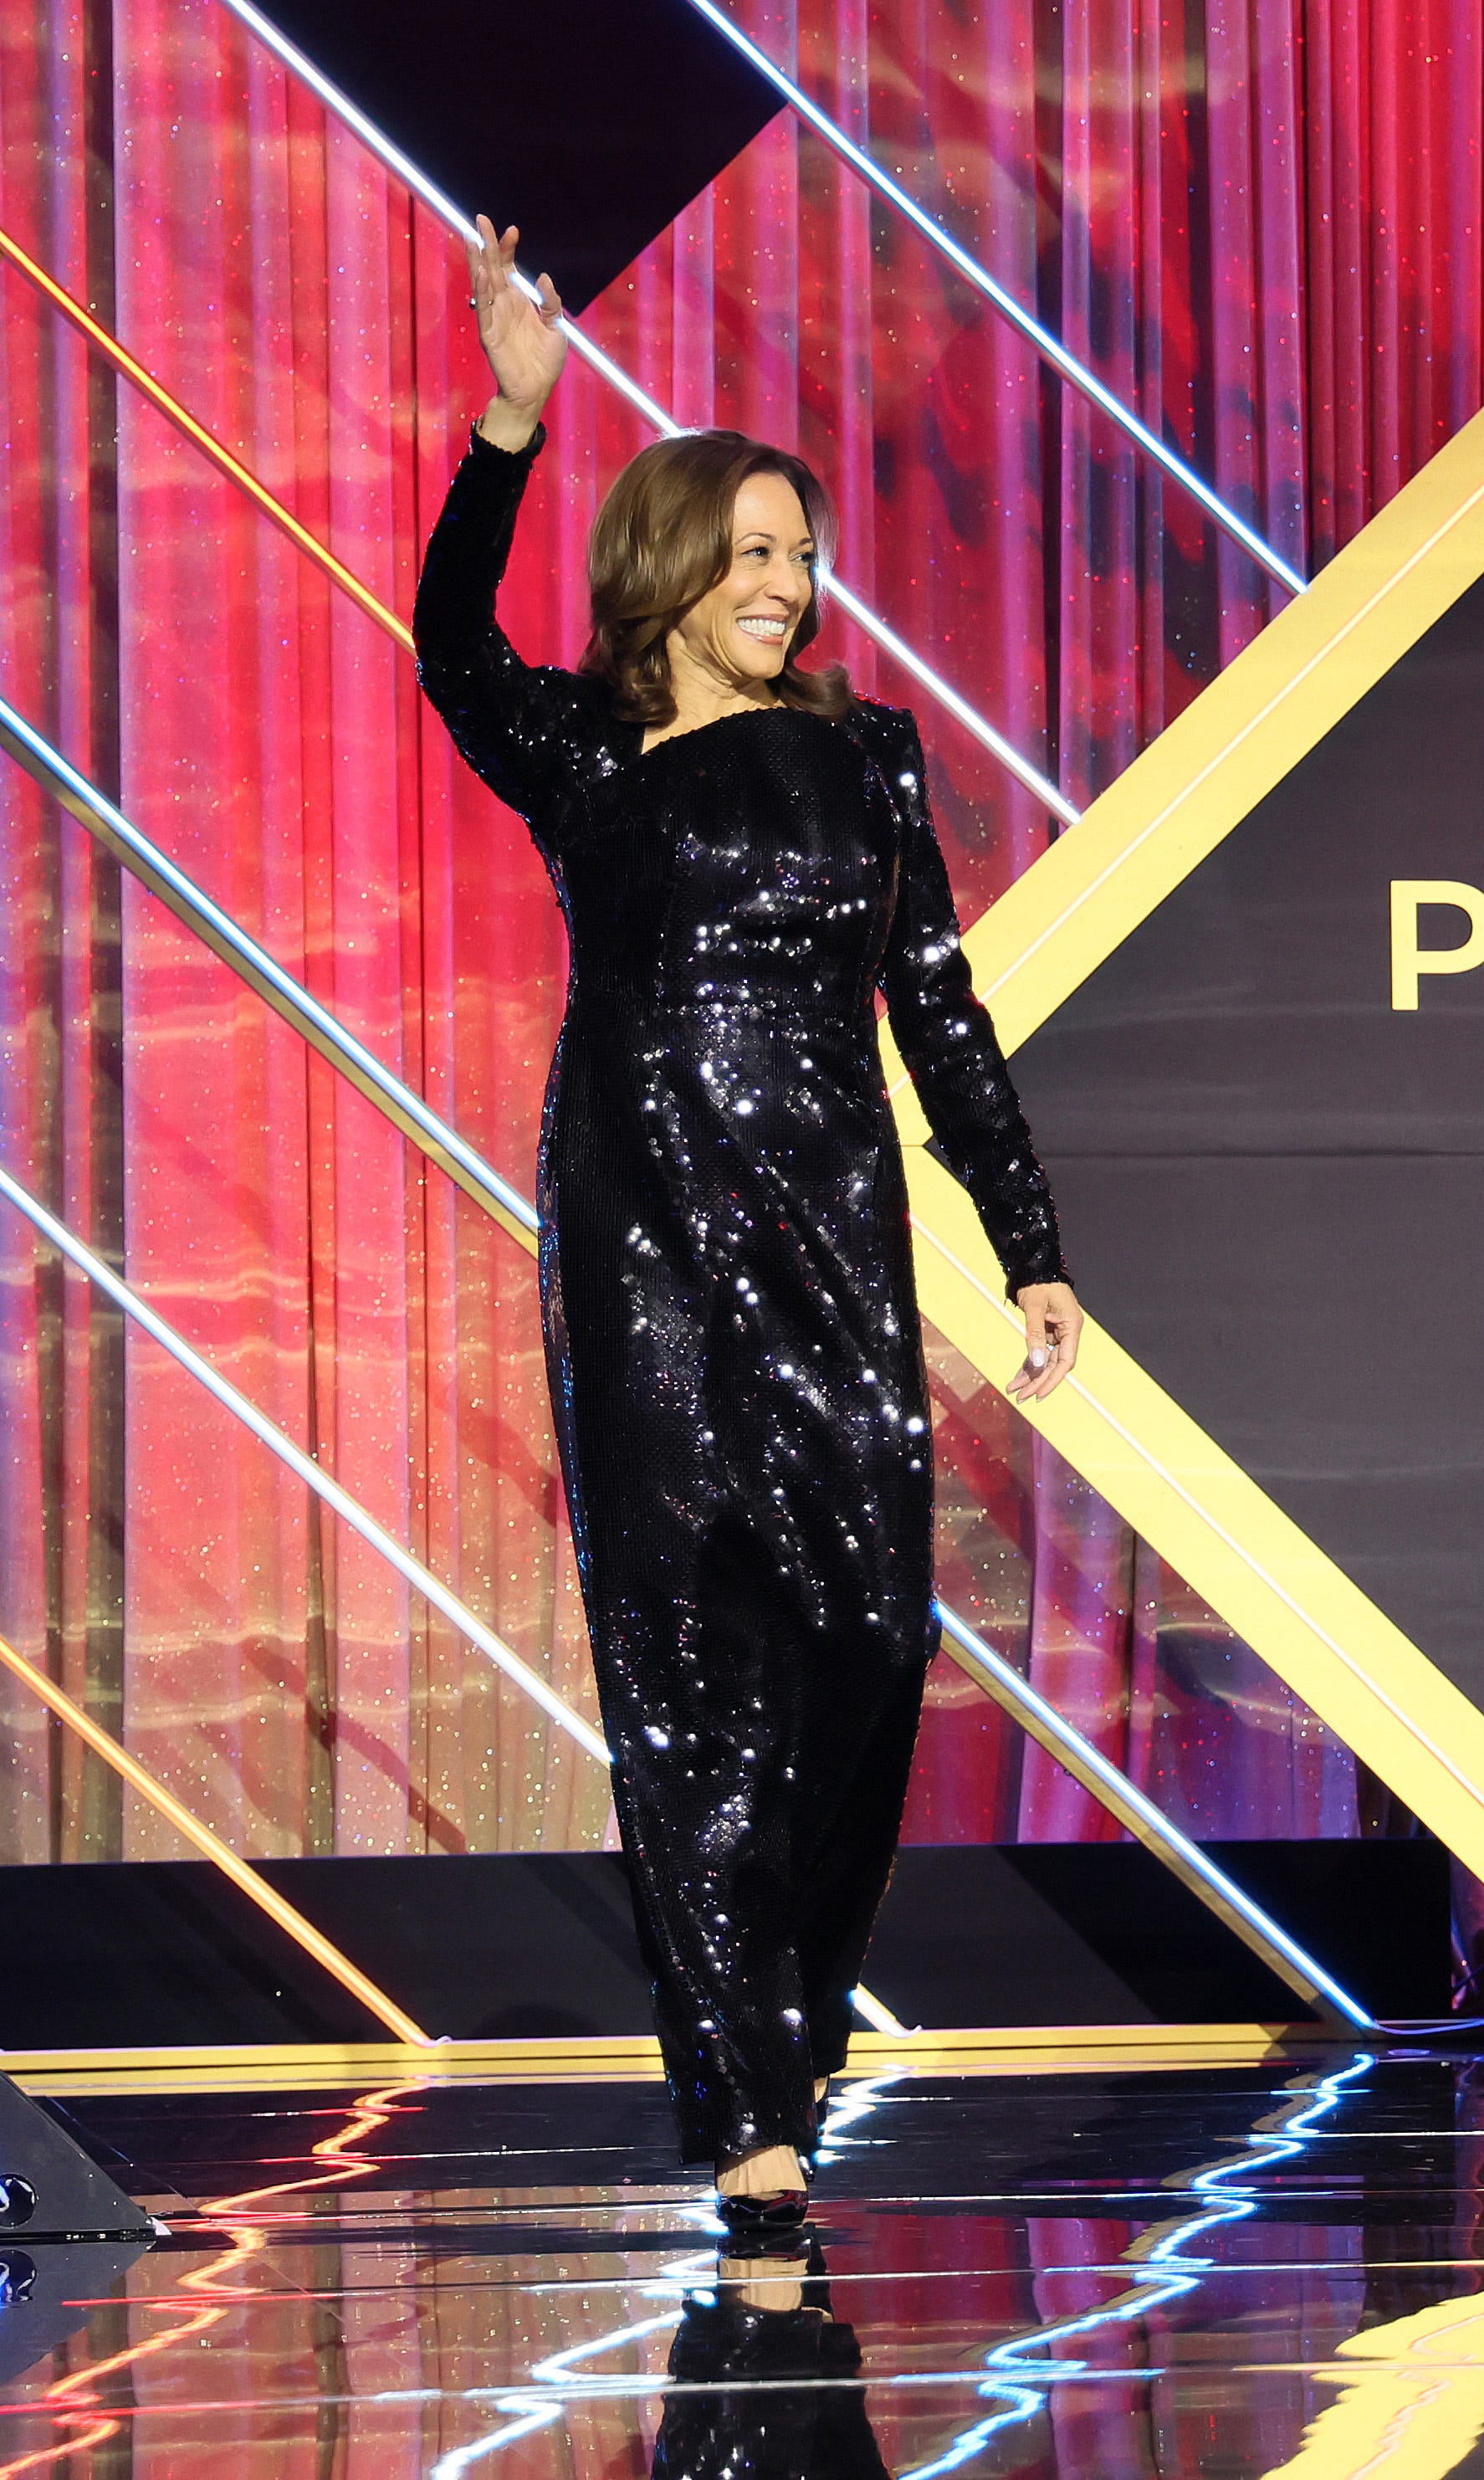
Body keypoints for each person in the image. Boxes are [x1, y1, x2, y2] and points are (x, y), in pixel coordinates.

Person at [413, 217, 1083, 2231]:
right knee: (686, 1659)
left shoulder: (873, 763)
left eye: (805, 558)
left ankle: (787, 2019)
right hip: (637, 1238)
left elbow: (940, 1016)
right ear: (672, 566)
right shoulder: (588, 756)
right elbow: (451, 641)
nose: (790, 587)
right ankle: (749, 2105)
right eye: (758, 552)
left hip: (830, 1226)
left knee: (871, 1637)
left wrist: (1029, 1234)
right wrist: (508, 427)